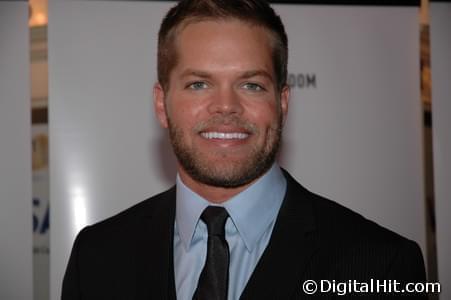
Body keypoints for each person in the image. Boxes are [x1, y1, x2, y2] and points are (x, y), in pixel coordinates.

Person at [62, 0, 426, 299]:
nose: (226, 106)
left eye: (251, 85)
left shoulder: (383, 265)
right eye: (199, 83)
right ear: (161, 104)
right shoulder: (97, 256)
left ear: (282, 103)